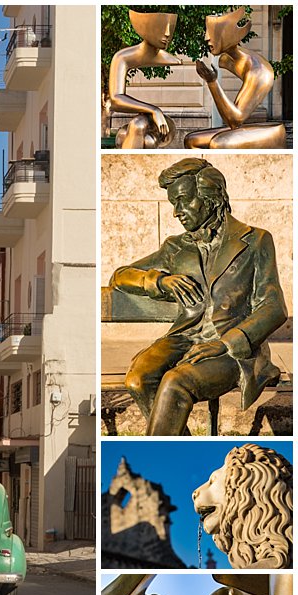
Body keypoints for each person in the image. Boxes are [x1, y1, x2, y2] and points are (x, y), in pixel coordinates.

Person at [110, 158, 287, 435]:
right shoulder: (176, 247)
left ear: (210, 197)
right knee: (137, 379)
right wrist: (158, 280)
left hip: (232, 349)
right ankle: (175, 443)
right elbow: (120, 275)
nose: (176, 212)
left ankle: (162, 459)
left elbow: (273, 307)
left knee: (175, 381)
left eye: (183, 201)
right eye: (173, 204)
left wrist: (226, 343)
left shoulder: (255, 240)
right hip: (184, 338)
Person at [185, 7, 286, 149]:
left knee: (219, 143)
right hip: (243, 123)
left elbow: (235, 121)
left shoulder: (258, 71)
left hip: (273, 132)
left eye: (212, 32)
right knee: (191, 140)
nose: (206, 38)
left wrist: (212, 83)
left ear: (227, 35)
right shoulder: (228, 59)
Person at [108, 10, 180, 148]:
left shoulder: (172, 59)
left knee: (139, 126)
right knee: (142, 132)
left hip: (161, 128)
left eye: (171, 28)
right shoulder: (122, 58)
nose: (167, 33)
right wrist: (154, 110)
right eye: (161, 28)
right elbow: (116, 100)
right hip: (144, 128)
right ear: (146, 29)